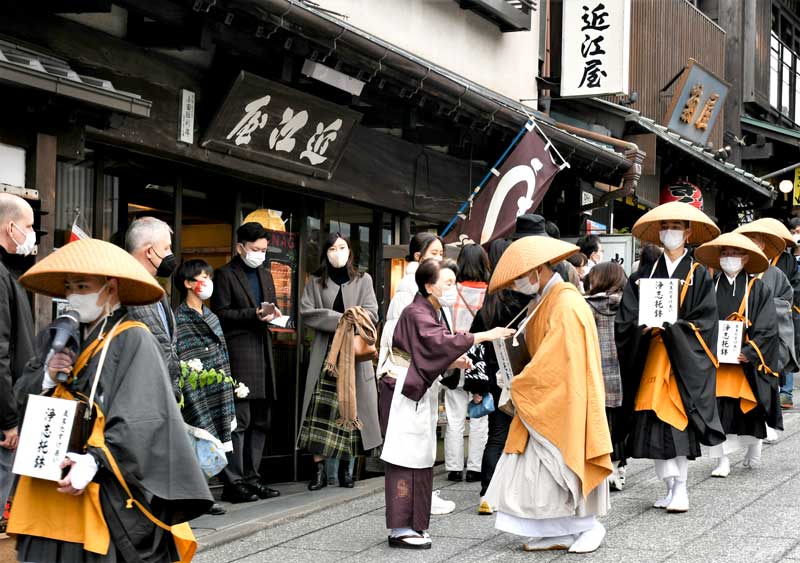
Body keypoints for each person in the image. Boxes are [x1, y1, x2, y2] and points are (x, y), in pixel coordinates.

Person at [10, 238, 212, 562]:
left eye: (82, 286)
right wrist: (47, 375)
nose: (74, 294)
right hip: (48, 478)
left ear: (111, 287)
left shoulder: (134, 337)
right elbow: (21, 394)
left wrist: (95, 459)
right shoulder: (60, 335)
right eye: (69, 287)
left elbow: (144, 415)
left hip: (97, 482)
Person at [484, 235, 612, 554]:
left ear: (537, 270)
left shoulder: (565, 303)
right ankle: (557, 530)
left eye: (519, 277)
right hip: (549, 395)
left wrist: (519, 382)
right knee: (539, 472)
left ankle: (588, 526)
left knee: (561, 466)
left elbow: (556, 360)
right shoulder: (544, 300)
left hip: (566, 397)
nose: (517, 284)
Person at [380, 259, 514, 549]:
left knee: (419, 458)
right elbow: (439, 344)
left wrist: (453, 361)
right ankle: (400, 528)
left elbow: (431, 351)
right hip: (406, 390)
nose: (453, 288)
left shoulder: (427, 310)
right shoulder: (417, 312)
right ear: (429, 286)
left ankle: (413, 525)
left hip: (413, 386)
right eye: (448, 283)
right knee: (406, 458)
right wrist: (484, 335)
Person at [616, 201, 724, 514]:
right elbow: (626, 318)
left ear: (688, 233)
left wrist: (674, 329)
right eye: (665, 227)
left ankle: (681, 488)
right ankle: (668, 486)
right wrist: (643, 328)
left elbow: (706, 322)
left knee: (676, 426)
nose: (669, 232)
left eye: (676, 227)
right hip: (650, 355)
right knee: (652, 426)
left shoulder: (698, 274)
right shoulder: (644, 274)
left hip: (681, 362)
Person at [377, 232, 455, 515]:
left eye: (441, 253)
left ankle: (421, 498)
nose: (439, 257)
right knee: (413, 441)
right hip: (409, 374)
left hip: (414, 371)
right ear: (418, 256)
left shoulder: (426, 284)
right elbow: (417, 338)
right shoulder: (414, 286)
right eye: (433, 253)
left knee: (420, 438)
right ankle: (416, 502)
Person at [298, 233, 381, 490]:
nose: (338, 252)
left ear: (350, 251)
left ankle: (347, 470)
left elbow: (372, 313)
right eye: (333, 248)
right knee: (318, 414)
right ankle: (319, 472)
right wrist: (342, 319)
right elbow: (307, 312)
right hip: (326, 355)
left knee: (352, 411)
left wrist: (353, 318)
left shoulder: (363, 280)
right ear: (325, 253)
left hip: (354, 356)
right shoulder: (315, 282)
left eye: (342, 247)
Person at [695, 233, 781, 477]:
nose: (729, 257)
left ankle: (754, 446)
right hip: (716, 361)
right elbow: (699, 319)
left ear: (745, 258)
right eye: (724, 253)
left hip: (745, 361)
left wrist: (750, 351)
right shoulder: (708, 287)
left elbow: (768, 326)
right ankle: (721, 460)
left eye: (734, 253)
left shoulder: (758, 288)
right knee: (718, 410)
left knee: (749, 410)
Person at [211, 222, 281, 503]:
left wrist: (273, 315)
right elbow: (220, 313)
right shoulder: (225, 274)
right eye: (255, 249)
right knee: (240, 420)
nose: (260, 254)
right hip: (239, 352)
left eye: (264, 249)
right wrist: (253, 314)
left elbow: (271, 307)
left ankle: (253, 477)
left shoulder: (266, 274)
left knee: (261, 420)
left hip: (264, 351)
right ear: (240, 247)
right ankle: (234, 481)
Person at [174, 259, 236, 516]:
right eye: (202, 277)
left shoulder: (211, 316)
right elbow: (181, 353)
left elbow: (221, 353)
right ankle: (197, 496)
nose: (208, 282)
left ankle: (203, 494)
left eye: (209, 277)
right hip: (193, 388)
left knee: (211, 441)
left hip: (215, 386)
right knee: (195, 440)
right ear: (188, 283)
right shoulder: (179, 318)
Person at [735, 221, 798, 416]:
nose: (751, 243)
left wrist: (761, 309)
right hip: (739, 339)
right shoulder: (736, 271)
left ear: (762, 244)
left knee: (764, 389)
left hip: (766, 339)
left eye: (754, 240)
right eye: (746, 239)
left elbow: (786, 302)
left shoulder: (776, 274)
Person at [0, 194, 35, 524]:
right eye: (29, 226)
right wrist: (9, 418)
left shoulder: (7, 272)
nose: (32, 234)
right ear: (11, 228)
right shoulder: (1, 275)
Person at [444, 243, 491, 483]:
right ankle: (475, 468)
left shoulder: (452, 292)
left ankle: (453, 468)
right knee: (479, 416)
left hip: (454, 358)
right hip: (480, 360)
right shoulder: (490, 294)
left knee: (454, 416)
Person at [124, 217, 181, 399]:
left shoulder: (155, 288)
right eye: (166, 248)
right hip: (141, 396)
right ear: (149, 251)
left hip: (160, 394)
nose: (170, 254)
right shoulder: (127, 288)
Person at [585, 262, 628, 491]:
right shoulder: (629, 305)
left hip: (596, 372)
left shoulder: (587, 306)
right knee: (620, 422)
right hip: (623, 372)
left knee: (601, 422)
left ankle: (603, 469)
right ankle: (619, 469)